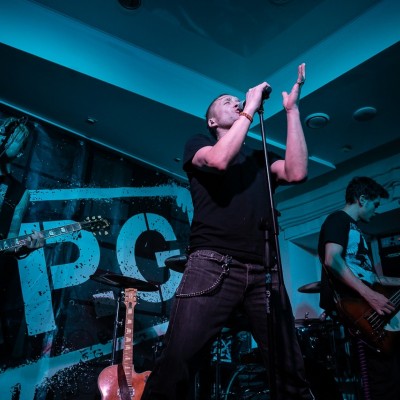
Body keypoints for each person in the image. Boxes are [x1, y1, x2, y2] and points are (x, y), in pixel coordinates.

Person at [142, 63, 315, 400]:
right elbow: (219, 161)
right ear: (212, 121)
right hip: (213, 265)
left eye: (237, 100)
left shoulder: (260, 157)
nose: (235, 102)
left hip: (264, 271)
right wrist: (250, 108)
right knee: (178, 362)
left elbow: (297, 172)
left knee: (290, 368)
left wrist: (292, 111)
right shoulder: (199, 144)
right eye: (227, 101)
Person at [318, 176, 400, 400]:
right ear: (362, 199)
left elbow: (373, 277)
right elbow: (332, 259)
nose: (377, 211)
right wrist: (370, 295)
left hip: (373, 310)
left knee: (391, 378)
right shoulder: (338, 219)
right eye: (375, 204)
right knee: (381, 385)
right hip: (359, 311)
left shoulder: (356, 229)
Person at [0, 116, 44, 364]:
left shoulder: (19, 192)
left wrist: (28, 246)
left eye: (16, 137)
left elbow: (10, 241)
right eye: (3, 132)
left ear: (20, 153)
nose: (6, 138)